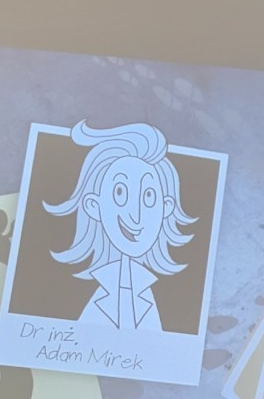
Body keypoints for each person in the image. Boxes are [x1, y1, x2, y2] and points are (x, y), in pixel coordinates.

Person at [45, 120, 197, 331]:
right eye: (120, 193)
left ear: (166, 207)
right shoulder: (72, 295)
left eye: (149, 196)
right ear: (93, 205)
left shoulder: (154, 295)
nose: (135, 215)